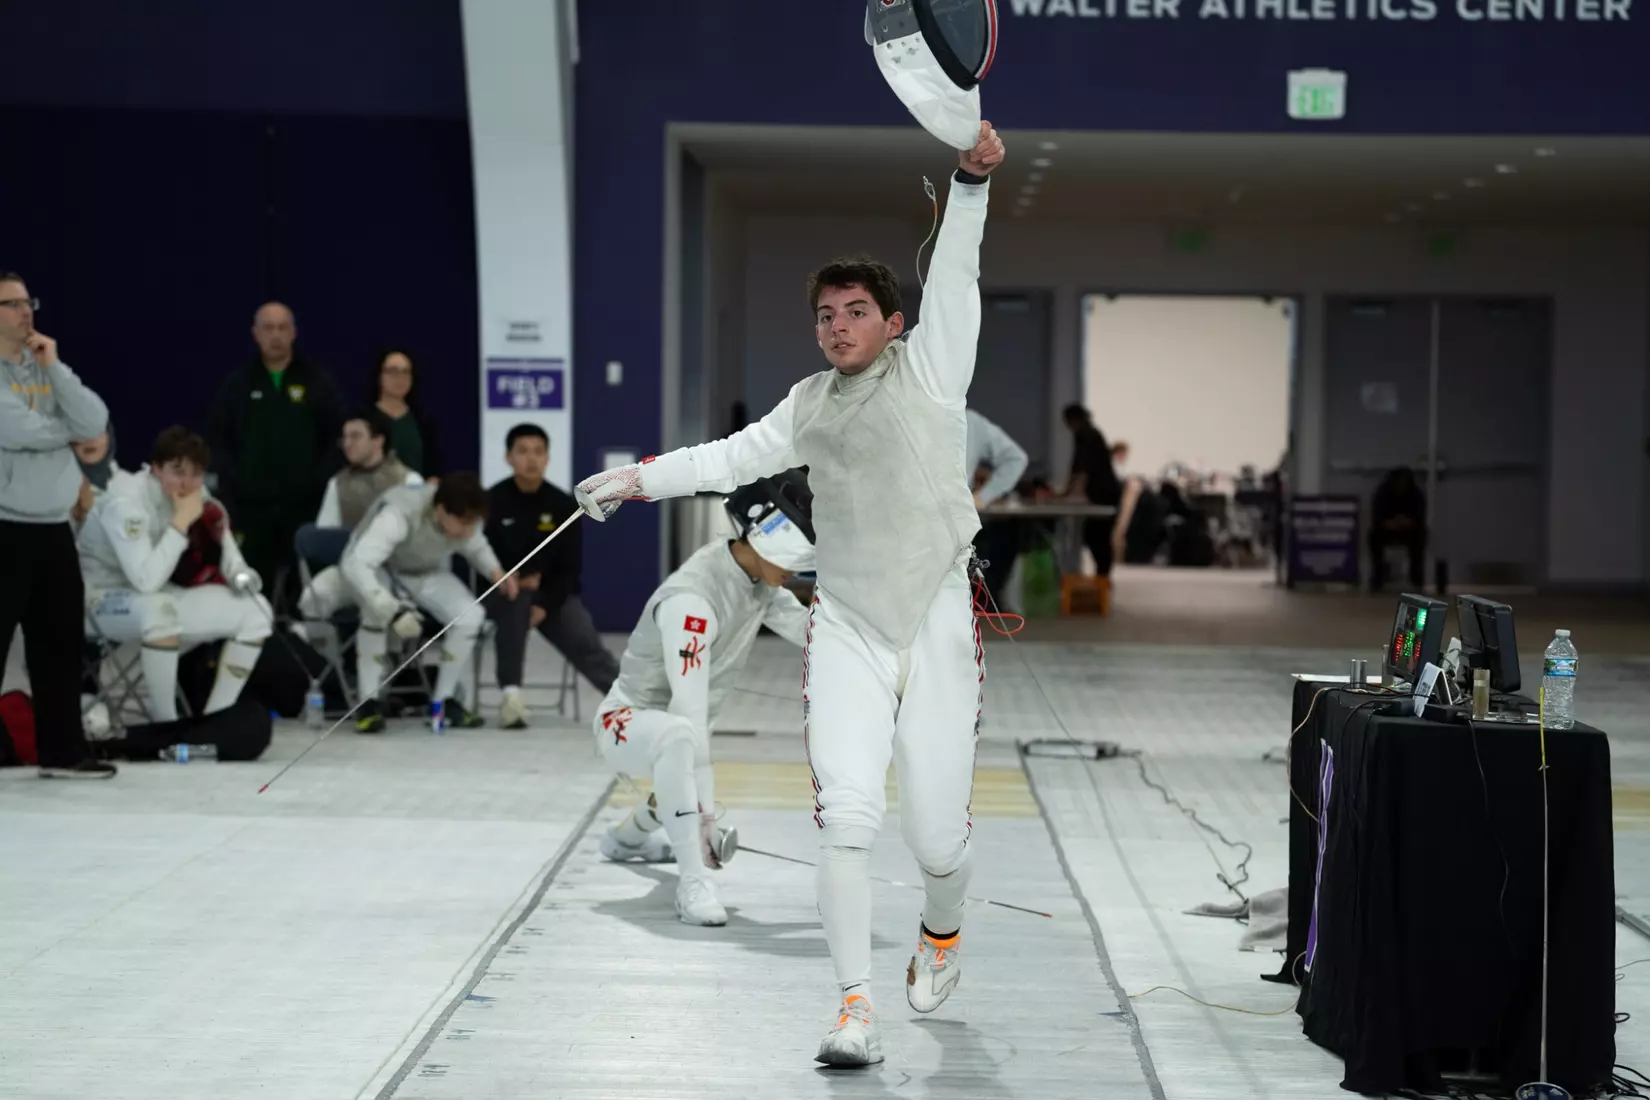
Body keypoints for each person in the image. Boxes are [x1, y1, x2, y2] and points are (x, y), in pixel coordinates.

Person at [574, 123, 1006, 1066]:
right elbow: (728, 459)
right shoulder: (807, 403)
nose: (837, 326)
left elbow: (958, 280)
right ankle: (854, 1007)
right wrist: (636, 478)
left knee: (938, 838)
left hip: (933, 614)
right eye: (825, 314)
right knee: (846, 816)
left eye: (855, 311)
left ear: (891, 323)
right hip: (847, 619)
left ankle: (942, 930)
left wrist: (968, 187)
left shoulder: (932, 373)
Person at [596, 471, 815, 926]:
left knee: (678, 771)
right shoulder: (693, 601)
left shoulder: (757, 580)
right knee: (679, 740)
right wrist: (706, 821)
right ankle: (693, 883)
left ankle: (624, 840)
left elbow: (815, 632)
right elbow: (688, 715)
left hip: (674, 736)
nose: (793, 571)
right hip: (624, 724)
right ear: (760, 534)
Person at [0, 271, 116, 778]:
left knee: (59, 645)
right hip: (4, 524)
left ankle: (62, 751)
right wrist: (71, 437)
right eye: (12, 304)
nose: (26, 312)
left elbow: (94, 420)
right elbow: (16, 428)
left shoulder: (43, 366)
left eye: (29, 302)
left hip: (51, 524)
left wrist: (57, 368)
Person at [79, 427, 272, 723]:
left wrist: (240, 573)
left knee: (257, 611)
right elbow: (145, 581)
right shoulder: (125, 500)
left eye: (195, 474)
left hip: (154, 599)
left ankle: (215, 720)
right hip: (98, 600)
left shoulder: (196, 493)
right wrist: (181, 521)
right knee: (160, 610)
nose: (187, 483)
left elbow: (224, 543)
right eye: (177, 471)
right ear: (156, 468)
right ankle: (166, 725)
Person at [338, 473, 516, 733]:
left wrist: (496, 572)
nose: (469, 530)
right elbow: (358, 563)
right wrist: (391, 610)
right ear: (441, 510)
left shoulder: (465, 518)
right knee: (374, 614)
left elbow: (475, 545)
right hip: (379, 569)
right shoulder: (399, 513)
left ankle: (442, 702)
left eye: (473, 523)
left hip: (423, 571)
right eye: (464, 523)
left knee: (470, 616)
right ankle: (368, 703)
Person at [207, 302, 345, 613]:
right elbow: (218, 441)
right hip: (251, 510)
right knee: (253, 593)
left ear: (294, 333)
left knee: (304, 595)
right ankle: (255, 655)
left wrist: (317, 481)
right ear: (255, 334)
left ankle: (302, 655)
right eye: (268, 328)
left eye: (283, 328)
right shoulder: (237, 384)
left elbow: (337, 439)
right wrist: (236, 482)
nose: (276, 335)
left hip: (304, 509)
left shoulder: (316, 382)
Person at [484, 424, 618, 729]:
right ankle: (511, 700)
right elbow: (483, 557)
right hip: (504, 592)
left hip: (552, 597)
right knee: (514, 607)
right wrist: (513, 579)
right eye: (522, 451)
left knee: (585, 640)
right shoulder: (492, 501)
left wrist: (543, 606)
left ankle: (632, 700)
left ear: (547, 458)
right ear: (508, 457)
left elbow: (570, 571)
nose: (531, 459)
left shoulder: (564, 505)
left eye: (538, 452)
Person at [296, 408, 424, 622]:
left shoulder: (409, 482)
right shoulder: (338, 484)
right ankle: (328, 654)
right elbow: (325, 540)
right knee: (314, 597)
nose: (347, 443)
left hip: (396, 575)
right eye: (344, 437)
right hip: (349, 570)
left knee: (376, 603)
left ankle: (385, 654)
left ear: (378, 441)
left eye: (355, 436)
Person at [965, 407, 1029, 612]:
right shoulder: (969, 420)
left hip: (950, 526)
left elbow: (1016, 459)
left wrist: (982, 497)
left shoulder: (970, 421)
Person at [1058, 404, 1124, 577]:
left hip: (1105, 494)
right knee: (1095, 536)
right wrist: (1067, 492)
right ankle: (1102, 577)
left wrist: (1070, 493)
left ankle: (1103, 578)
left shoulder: (1088, 435)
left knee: (1098, 536)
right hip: (1102, 492)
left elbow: (1082, 469)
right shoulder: (1087, 434)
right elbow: (1077, 468)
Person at [369, 349, 442, 479]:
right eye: (393, 371)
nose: (400, 378)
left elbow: (433, 470)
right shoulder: (364, 417)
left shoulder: (422, 419)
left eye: (405, 372)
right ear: (380, 376)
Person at [1368, 465, 1427, 591]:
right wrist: (1390, 523)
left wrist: (1407, 522)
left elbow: (1420, 517)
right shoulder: (1382, 492)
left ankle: (1417, 580)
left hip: (1410, 531)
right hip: (1387, 530)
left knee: (1420, 537)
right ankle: (1377, 579)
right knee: (1373, 537)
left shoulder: (1416, 494)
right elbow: (1377, 517)